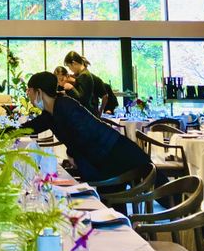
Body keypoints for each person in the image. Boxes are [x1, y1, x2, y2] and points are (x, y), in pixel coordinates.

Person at [20, 72, 152, 183]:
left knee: (157, 189)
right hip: (103, 159)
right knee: (109, 199)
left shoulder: (65, 105)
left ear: (39, 91)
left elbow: (84, 134)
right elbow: (28, 128)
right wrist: (8, 131)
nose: (27, 94)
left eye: (29, 90)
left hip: (116, 153)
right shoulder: (49, 114)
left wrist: (72, 154)